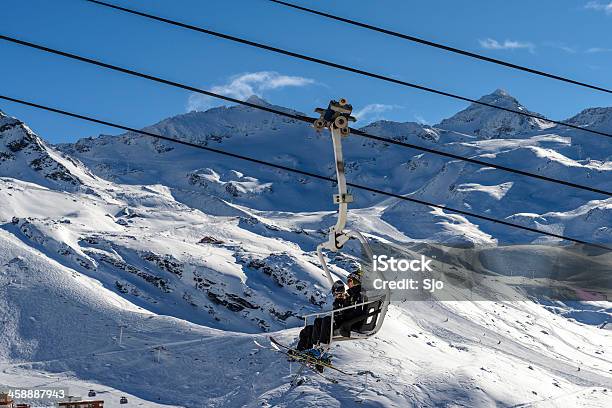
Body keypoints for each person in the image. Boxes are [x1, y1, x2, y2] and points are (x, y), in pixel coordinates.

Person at [296, 271, 364, 352]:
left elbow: (356, 312)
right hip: (344, 320)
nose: (348, 283)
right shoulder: (351, 295)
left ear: (356, 281)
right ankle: (309, 348)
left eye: (350, 281)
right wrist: (339, 302)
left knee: (327, 320)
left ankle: (322, 348)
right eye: (348, 281)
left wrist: (341, 316)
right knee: (316, 322)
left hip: (350, 323)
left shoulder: (358, 295)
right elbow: (343, 309)